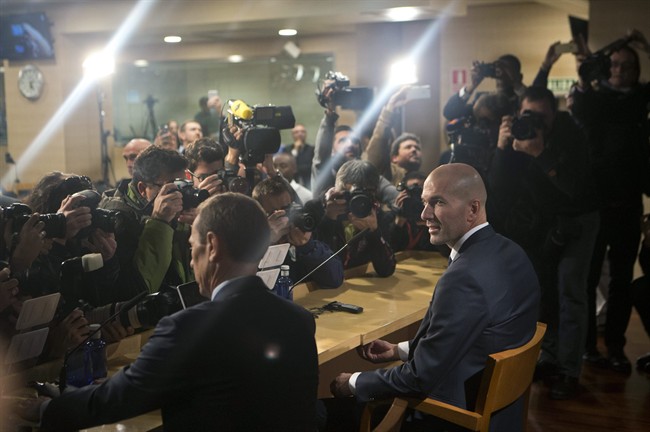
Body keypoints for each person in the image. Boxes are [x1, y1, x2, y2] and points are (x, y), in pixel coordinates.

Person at [18, 193, 319, 431]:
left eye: (191, 248)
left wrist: (41, 409)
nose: (191, 262)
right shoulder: (300, 319)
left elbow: (116, 401)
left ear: (211, 246)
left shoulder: (189, 328)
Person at [330, 163, 539, 431]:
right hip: (505, 414)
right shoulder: (512, 252)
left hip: (454, 416)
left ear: (473, 209)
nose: (424, 214)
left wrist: (353, 382)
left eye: (437, 203)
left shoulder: (463, 278)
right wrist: (398, 350)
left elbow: (419, 379)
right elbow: (469, 338)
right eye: (425, 203)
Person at [490, 86, 599, 399]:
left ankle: (569, 371)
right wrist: (501, 148)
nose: (534, 122)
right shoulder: (517, 135)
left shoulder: (573, 133)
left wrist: (540, 153)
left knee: (570, 291)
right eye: (527, 115)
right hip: (543, 223)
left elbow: (576, 188)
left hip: (579, 219)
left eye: (541, 117)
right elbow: (498, 187)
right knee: (544, 290)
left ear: (554, 114)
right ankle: (548, 357)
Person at [570, 30, 650, 373]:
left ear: (637, 70)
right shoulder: (594, 98)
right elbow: (586, 79)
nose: (619, 69)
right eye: (615, 64)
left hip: (628, 203)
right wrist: (615, 44)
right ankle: (588, 346)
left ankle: (616, 346)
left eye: (627, 65)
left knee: (621, 281)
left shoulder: (641, 98)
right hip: (594, 203)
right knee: (587, 279)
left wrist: (641, 45)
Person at [99, 146, 194, 301]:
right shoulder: (118, 220)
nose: (180, 194)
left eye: (183, 185)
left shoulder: (178, 210)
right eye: (171, 187)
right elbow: (137, 292)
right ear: (143, 189)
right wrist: (160, 222)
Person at [252, 176, 343, 289]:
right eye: (274, 214)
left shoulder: (302, 233)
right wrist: (267, 242)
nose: (282, 218)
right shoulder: (251, 243)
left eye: (286, 210)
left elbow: (335, 279)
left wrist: (308, 247)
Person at [315, 160, 396, 277]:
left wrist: (374, 233)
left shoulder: (376, 215)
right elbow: (319, 269)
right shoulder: (318, 210)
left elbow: (386, 270)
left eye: (364, 193)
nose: (357, 200)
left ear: (374, 193)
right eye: (351, 193)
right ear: (337, 188)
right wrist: (328, 219)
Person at [443, 54, 525, 122]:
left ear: (519, 76)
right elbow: (449, 112)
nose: (501, 73)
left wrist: (516, 83)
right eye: (498, 69)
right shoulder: (483, 101)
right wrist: (472, 86)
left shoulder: (522, 102)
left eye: (507, 70)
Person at [280, 123, 315, 189]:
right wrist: (295, 150)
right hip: (291, 184)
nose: (300, 134)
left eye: (302, 131)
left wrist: (296, 169)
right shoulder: (287, 149)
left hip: (308, 183)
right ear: (292, 135)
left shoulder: (312, 149)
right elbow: (286, 165)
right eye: (296, 132)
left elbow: (311, 167)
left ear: (306, 134)